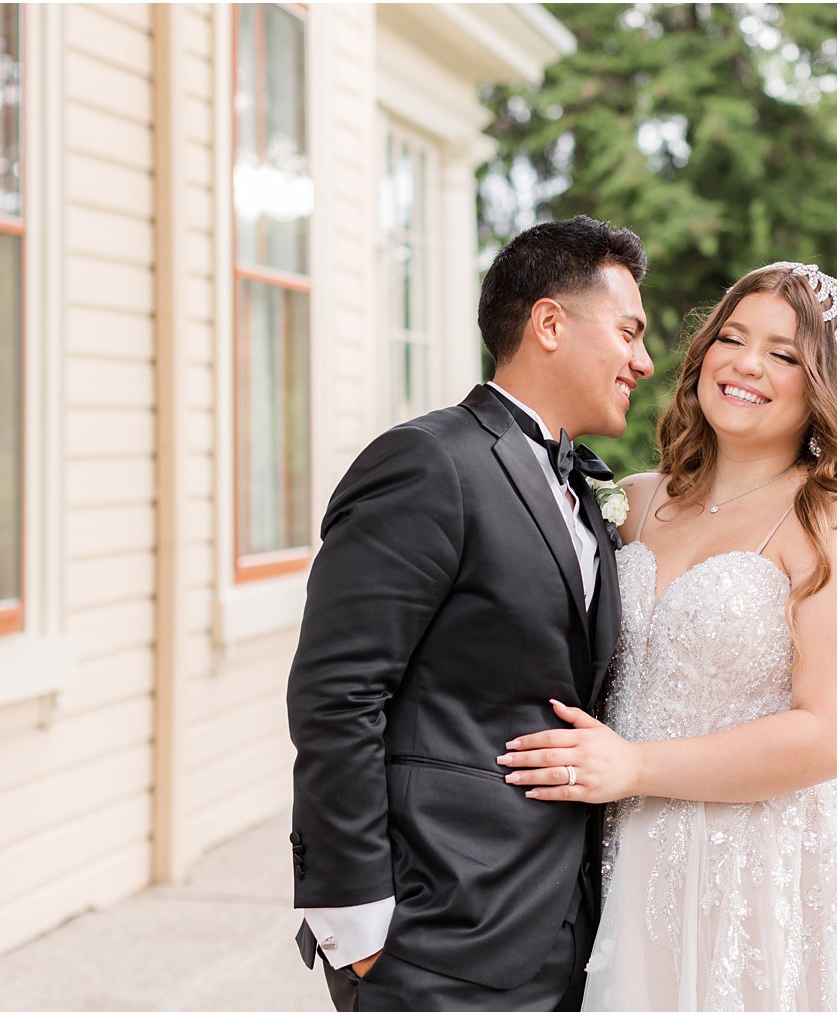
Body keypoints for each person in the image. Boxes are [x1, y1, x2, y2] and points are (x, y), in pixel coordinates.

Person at [499, 262, 837, 1010]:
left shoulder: (835, 521)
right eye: (733, 337)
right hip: (628, 855)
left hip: (766, 872)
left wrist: (634, 765)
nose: (747, 364)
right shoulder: (637, 501)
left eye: (784, 354)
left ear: (825, 385)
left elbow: (834, 736)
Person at [286, 216, 653, 1011]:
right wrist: (358, 921)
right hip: (434, 938)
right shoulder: (428, 462)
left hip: (563, 935)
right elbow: (337, 691)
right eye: (629, 332)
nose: (644, 361)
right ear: (549, 322)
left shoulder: (588, 502)